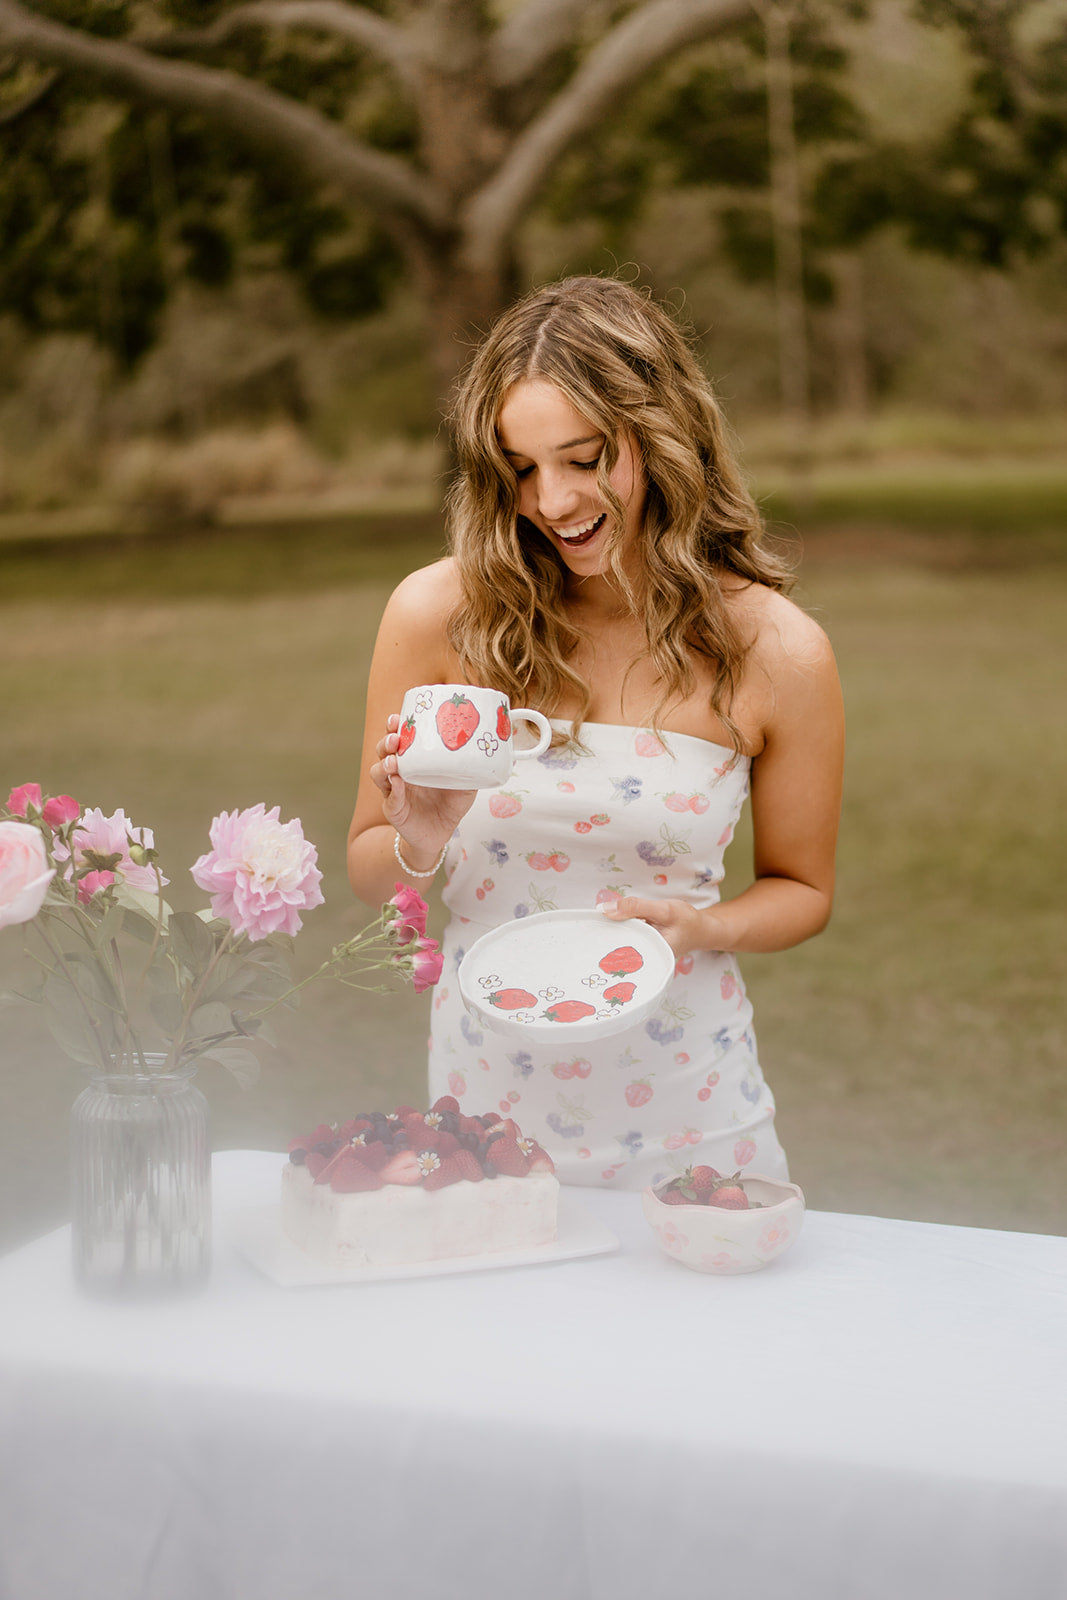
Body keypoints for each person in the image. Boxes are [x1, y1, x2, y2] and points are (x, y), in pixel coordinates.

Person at [347, 275, 844, 1189]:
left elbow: (800, 888)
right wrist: (419, 838)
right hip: (483, 1118)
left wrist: (701, 926)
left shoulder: (778, 651)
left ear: (664, 436)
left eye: (584, 458)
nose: (552, 500)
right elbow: (371, 865)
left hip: (695, 1116)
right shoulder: (435, 614)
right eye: (520, 468)